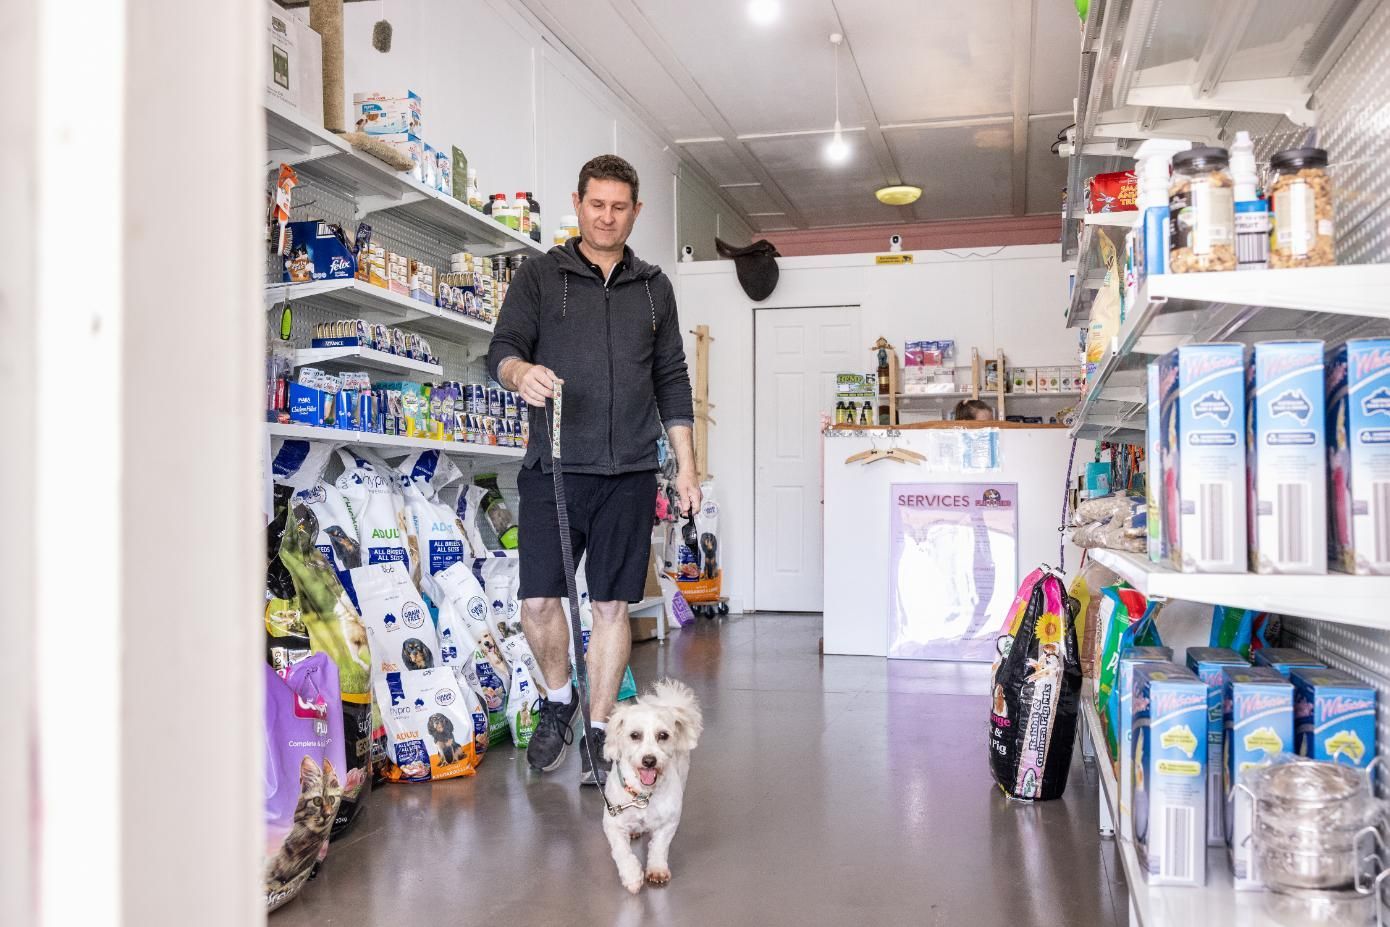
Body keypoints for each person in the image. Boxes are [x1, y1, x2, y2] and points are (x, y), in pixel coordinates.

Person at [487, 154, 700, 786]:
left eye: (619, 207)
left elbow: (672, 381)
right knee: (538, 602)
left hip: (631, 472)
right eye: (596, 205)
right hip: (552, 467)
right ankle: (559, 700)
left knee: (611, 607)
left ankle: (603, 734)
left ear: (637, 211)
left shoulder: (655, 288)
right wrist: (518, 373)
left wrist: (686, 470)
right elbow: (501, 349)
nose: (607, 218)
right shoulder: (539, 275)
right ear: (577, 204)